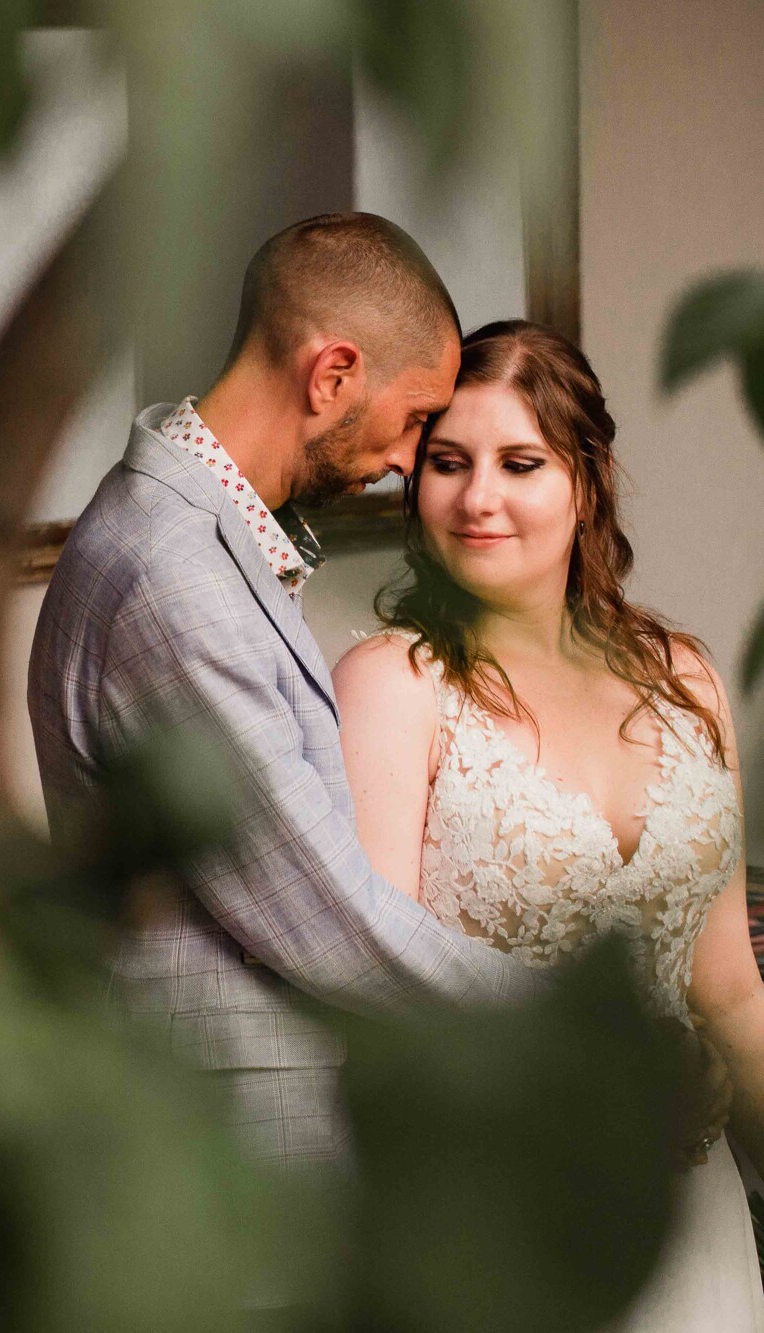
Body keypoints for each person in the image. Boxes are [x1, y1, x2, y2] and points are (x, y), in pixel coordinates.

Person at [28, 212, 540, 1170]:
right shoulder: (171, 574)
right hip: (220, 1144)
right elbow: (325, 915)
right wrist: (566, 1020)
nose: (406, 458)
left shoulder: (189, 536)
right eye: (418, 417)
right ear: (333, 373)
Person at [334, 319, 764, 1328]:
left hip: (687, 1225)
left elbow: (728, 988)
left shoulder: (683, 677)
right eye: (446, 462)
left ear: (585, 479)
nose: (477, 496)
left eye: (517, 462)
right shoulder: (392, 686)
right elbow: (378, 1009)